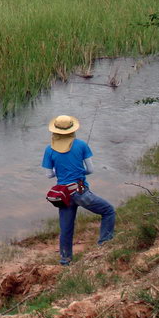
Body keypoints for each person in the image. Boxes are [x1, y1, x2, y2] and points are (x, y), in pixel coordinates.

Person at [42, 114, 115, 266]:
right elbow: (90, 170)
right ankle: (104, 244)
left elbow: (49, 175)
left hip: (63, 193)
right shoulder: (81, 145)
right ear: (72, 130)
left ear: (55, 131)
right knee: (108, 211)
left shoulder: (49, 150)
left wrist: (60, 172)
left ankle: (65, 260)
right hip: (80, 188)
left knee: (66, 228)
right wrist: (79, 171)